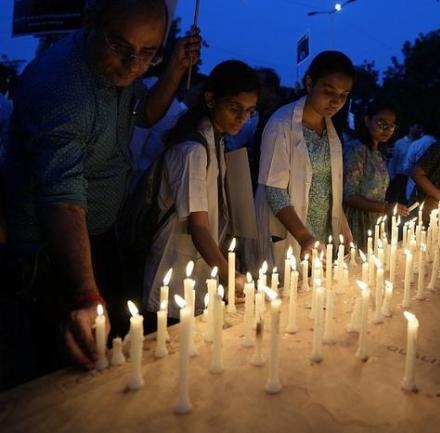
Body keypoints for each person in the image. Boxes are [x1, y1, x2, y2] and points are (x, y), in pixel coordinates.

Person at [0, 0, 200, 383]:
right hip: (51, 255)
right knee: (62, 372)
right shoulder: (62, 89)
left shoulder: (115, 70)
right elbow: (62, 198)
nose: (133, 65)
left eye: (148, 54)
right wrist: (84, 296)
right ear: (90, 19)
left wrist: (174, 67)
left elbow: (146, 115)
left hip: (98, 236)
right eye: (122, 48)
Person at [143, 60, 258, 318]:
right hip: (171, 273)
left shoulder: (216, 142)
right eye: (234, 108)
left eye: (250, 111)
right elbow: (199, 227)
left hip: (197, 271)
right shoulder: (193, 150)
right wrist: (230, 275)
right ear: (210, 100)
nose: (243, 118)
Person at [255, 51, 355, 267]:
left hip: (320, 237)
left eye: (344, 95)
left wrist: (343, 226)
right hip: (292, 234)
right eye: (328, 91)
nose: (336, 101)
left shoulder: (331, 130)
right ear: (309, 83)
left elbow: (330, 187)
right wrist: (304, 237)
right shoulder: (281, 125)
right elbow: (274, 190)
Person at [343, 99, 409, 251]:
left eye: (391, 126)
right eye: (381, 123)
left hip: (376, 219)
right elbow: (348, 195)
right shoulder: (356, 150)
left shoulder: (378, 152)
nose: (386, 129)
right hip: (358, 221)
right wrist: (386, 207)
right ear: (367, 120)